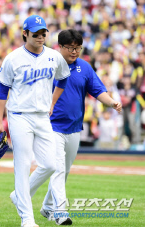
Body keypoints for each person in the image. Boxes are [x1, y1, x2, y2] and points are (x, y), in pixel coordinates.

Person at [29, 29, 122, 225]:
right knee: (58, 169)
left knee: (65, 171)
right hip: (51, 126)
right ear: (60, 47)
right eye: (70, 48)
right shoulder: (48, 65)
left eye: (78, 48)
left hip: (74, 128)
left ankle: (46, 207)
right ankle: (60, 212)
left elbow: (98, 91)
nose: (74, 51)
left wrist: (112, 102)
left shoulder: (85, 67)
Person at [0, 15, 71, 227]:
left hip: (42, 117)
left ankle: (19, 196)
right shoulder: (13, 58)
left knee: (50, 165)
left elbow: (63, 78)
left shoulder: (54, 57)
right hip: (19, 116)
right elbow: (2, 92)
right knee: (23, 165)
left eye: (43, 32)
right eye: (35, 33)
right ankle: (27, 219)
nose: (40, 36)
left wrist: (53, 101)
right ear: (25, 34)